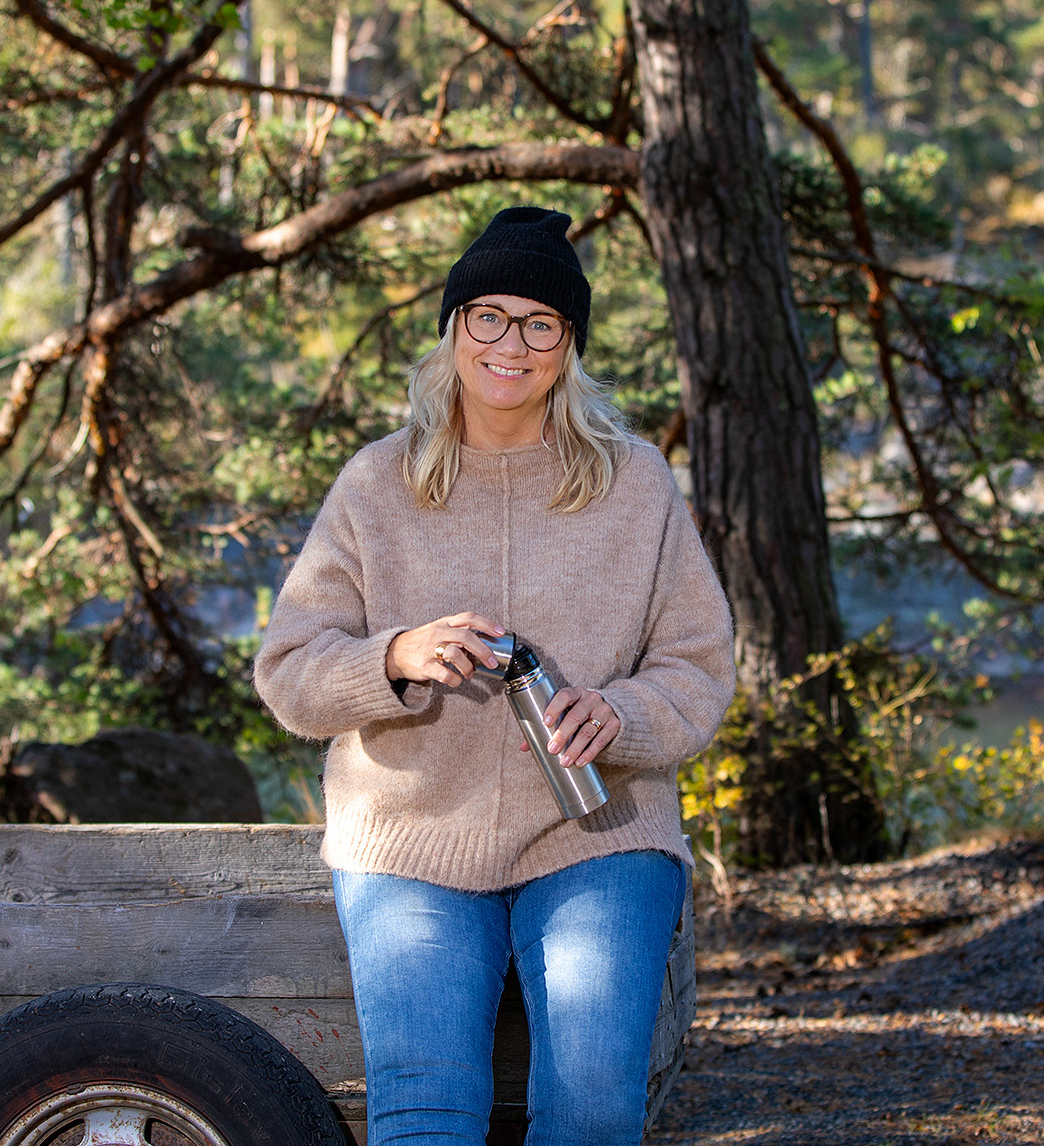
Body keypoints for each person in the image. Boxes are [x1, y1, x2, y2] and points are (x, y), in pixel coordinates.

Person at [253, 206, 735, 1145]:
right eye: (489, 316)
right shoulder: (377, 482)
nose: (511, 343)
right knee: (424, 1115)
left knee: (591, 1110)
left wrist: (623, 712)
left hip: (600, 836)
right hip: (409, 844)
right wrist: (392, 657)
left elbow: (699, 664)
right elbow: (289, 673)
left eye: (539, 323)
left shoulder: (633, 482)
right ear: (453, 330)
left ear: (567, 347)